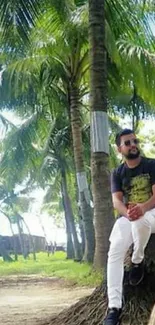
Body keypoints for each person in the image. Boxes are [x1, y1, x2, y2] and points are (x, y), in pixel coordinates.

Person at [104, 128, 155, 325]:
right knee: (115, 249)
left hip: (151, 212)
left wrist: (142, 208)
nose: (133, 145)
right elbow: (117, 201)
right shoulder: (117, 172)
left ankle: (137, 259)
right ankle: (114, 308)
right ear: (119, 149)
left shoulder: (151, 165)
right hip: (130, 214)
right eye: (127, 143)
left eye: (135, 141)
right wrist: (128, 212)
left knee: (140, 220)